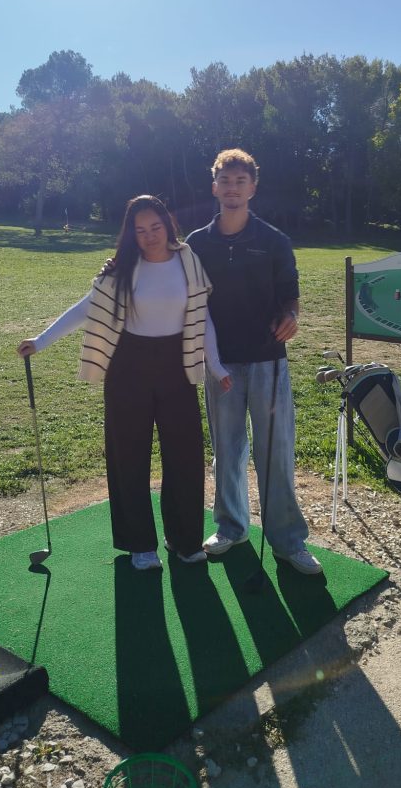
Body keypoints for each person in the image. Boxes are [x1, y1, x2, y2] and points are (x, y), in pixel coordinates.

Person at [17, 195, 231, 571]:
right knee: (128, 456)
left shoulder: (188, 260)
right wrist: (41, 340)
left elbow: (203, 316)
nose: (149, 236)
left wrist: (215, 365)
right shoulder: (119, 269)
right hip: (128, 367)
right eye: (140, 229)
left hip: (177, 367)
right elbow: (87, 308)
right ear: (131, 233)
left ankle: (184, 540)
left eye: (155, 227)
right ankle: (140, 544)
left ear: (168, 225)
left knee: (184, 456)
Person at [186, 149, 323, 576]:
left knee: (275, 451)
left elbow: (290, 294)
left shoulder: (274, 240)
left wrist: (292, 317)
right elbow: (172, 280)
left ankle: (287, 541)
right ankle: (232, 527)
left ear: (253, 188)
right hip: (220, 364)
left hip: (268, 360)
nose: (232, 188)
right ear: (214, 187)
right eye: (225, 181)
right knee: (227, 449)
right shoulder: (197, 243)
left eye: (240, 181)